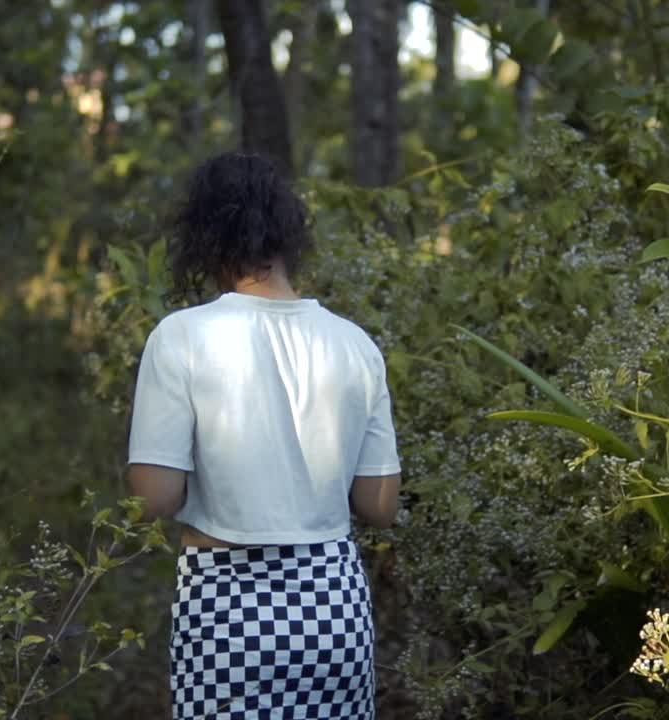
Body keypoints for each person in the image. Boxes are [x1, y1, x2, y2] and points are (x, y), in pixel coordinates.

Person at [125, 151, 402, 719]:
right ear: (286, 235)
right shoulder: (355, 345)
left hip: (226, 603)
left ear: (205, 238)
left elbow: (154, 498)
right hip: (333, 603)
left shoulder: (182, 337)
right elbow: (379, 505)